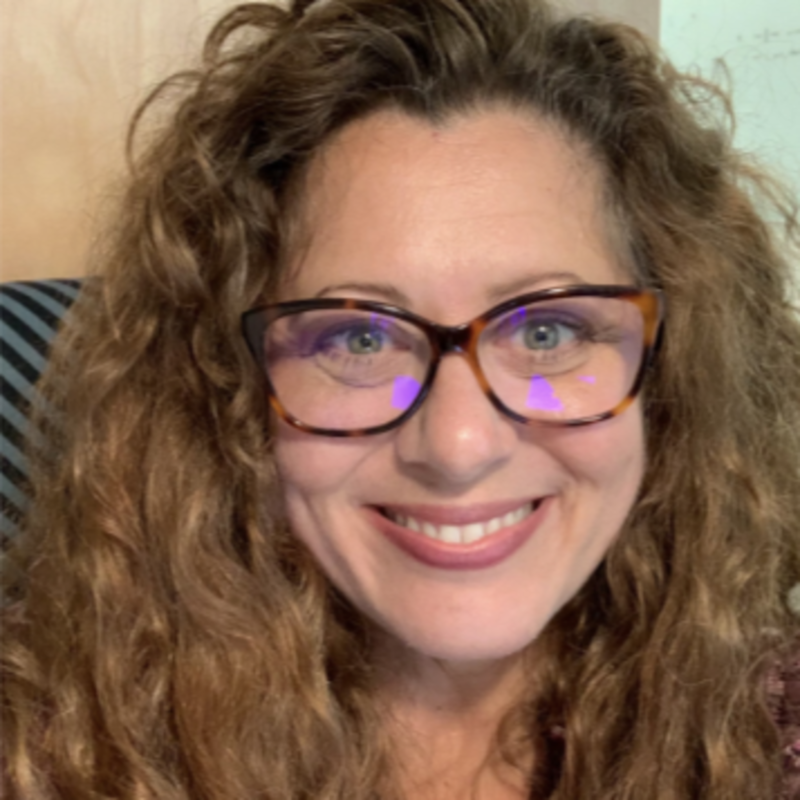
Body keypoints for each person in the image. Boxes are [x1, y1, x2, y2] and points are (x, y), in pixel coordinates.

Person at [2, 0, 799, 797]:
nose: (457, 447)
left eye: (549, 331)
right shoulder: (54, 741)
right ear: (227, 390)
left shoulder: (767, 732)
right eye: (358, 339)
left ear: (668, 375)